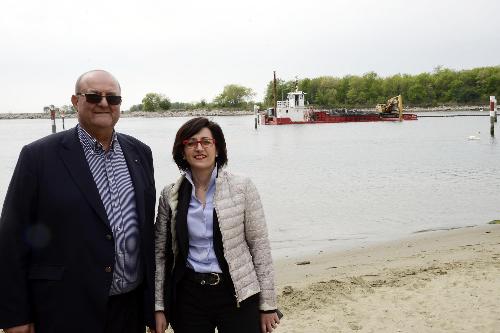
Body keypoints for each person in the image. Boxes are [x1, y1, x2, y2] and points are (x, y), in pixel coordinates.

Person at [0, 70, 156, 333]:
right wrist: (14, 315)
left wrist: (152, 305)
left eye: (113, 98)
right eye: (94, 96)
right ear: (75, 101)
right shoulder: (38, 157)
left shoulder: (140, 152)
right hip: (65, 307)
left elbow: (146, 233)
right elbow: (11, 237)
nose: (104, 103)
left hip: (129, 309)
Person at [154, 117, 280, 333]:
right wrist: (158, 307)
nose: (199, 148)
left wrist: (268, 305)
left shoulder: (242, 187)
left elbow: (259, 246)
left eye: (206, 142)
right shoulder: (170, 194)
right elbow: (160, 254)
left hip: (237, 292)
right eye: (191, 143)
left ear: (218, 149)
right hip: (189, 295)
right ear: (182, 151)